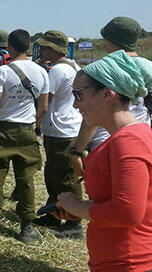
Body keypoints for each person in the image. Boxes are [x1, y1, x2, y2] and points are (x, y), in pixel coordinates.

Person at [54, 50, 152, 272]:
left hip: (129, 262)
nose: (75, 105)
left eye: (78, 95)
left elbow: (128, 212)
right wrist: (81, 210)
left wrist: (78, 206)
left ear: (108, 95)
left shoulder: (128, 141)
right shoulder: (130, 136)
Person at [0, 29, 49, 243]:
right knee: (26, 179)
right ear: (29, 47)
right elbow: (44, 107)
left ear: (10, 46)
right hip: (27, 130)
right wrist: (31, 119)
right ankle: (26, 227)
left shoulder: (3, 71)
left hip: (3, 130)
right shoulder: (41, 72)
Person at [69, 17, 152, 177]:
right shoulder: (148, 67)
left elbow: (90, 122)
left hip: (105, 144)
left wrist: (77, 150)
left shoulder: (102, 71)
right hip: (141, 142)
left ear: (110, 39)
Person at [31, 30, 84, 237]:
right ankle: (54, 214)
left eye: (43, 47)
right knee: (55, 174)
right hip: (67, 127)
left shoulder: (58, 71)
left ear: (52, 49)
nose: (41, 50)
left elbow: (45, 98)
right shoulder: (73, 66)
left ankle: (73, 224)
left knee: (63, 177)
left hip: (61, 130)